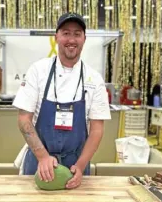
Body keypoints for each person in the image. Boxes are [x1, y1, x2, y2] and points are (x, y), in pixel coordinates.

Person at [12, 12, 111, 189]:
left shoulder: (94, 79)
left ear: (84, 39)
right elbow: (23, 119)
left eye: (77, 34)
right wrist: (42, 156)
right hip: (38, 162)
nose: (71, 39)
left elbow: (97, 129)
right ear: (56, 37)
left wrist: (80, 165)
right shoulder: (38, 71)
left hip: (75, 166)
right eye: (66, 33)